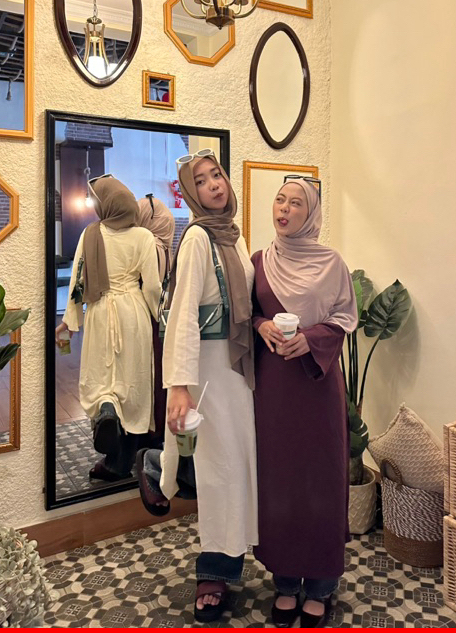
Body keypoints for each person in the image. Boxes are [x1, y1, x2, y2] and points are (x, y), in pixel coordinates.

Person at [134, 149, 257, 623]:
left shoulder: (235, 237)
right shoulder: (199, 238)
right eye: (201, 181)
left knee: (233, 466)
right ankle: (214, 573)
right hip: (208, 369)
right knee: (218, 471)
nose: (213, 185)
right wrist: (180, 386)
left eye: (217, 175)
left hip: (238, 371)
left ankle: (159, 466)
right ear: (190, 193)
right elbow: (183, 314)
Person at [251, 177, 358, 628]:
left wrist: (310, 339)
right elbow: (249, 313)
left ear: (311, 213)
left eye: (296, 203)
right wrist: (261, 326)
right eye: (280, 200)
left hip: (316, 385)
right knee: (279, 480)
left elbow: (344, 317)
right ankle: (285, 579)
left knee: (320, 480)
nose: (285, 209)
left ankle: (320, 585)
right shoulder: (259, 261)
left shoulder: (332, 263)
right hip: (274, 388)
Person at [55, 175, 161, 482]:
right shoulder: (144, 237)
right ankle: (122, 459)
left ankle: (106, 409)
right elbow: (152, 286)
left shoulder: (90, 233)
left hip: (100, 311)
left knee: (103, 376)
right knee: (133, 381)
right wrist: (159, 316)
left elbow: (78, 281)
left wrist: (70, 321)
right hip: (134, 311)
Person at [136, 193, 175, 444]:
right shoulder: (159, 247)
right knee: (157, 375)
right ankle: (156, 431)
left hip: (143, 318)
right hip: (157, 319)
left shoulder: (146, 245)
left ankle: (145, 432)